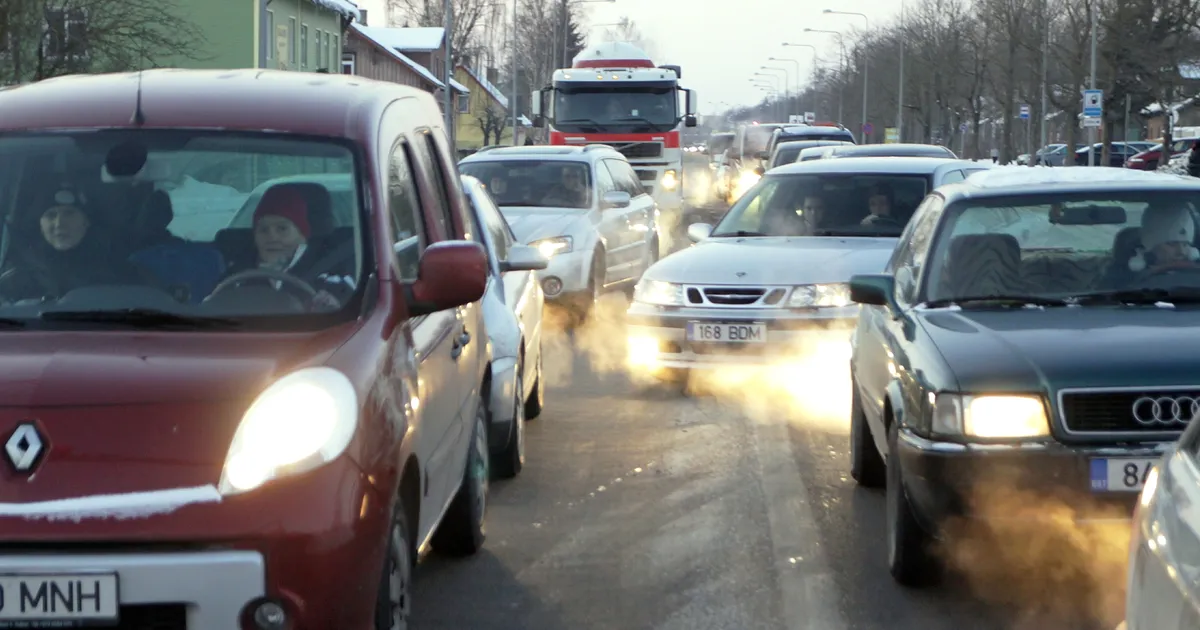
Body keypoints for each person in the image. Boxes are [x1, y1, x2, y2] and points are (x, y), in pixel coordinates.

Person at [0, 184, 152, 304]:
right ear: (40, 225)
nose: (59, 223)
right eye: (50, 215)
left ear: (86, 222)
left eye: (69, 213)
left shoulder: (119, 270)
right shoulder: (15, 274)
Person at [212, 185, 355, 310]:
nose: (272, 237)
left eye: (282, 229)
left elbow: (350, 305)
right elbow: (211, 305)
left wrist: (332, 302)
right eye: (263, 230)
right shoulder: (237, 274)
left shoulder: (332, 272)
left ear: (301, 235)